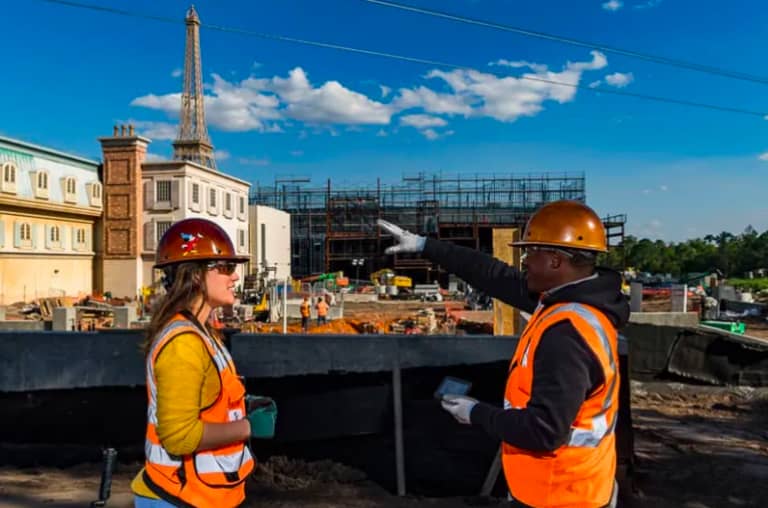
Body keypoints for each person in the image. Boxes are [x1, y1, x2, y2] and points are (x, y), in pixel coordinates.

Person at [377, 200, 628, 508]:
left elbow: (544, 432)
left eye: (532, 252)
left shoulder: (566, 333)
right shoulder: (577, 304)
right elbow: (493, 275)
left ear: (554, 261)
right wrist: (424, 245)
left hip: (560, 495)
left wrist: (475, 413)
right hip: (577, 485)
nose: (524, 261)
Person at [131, 218, 276, 508]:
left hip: (203, 494)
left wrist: (242, 407)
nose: (234, 277)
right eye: (225, 268)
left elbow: (210, 402)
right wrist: (248, 427)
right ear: (196, 276)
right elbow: (180, 437)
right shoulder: (183, 344)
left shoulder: (204, 333)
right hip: (179, 497)